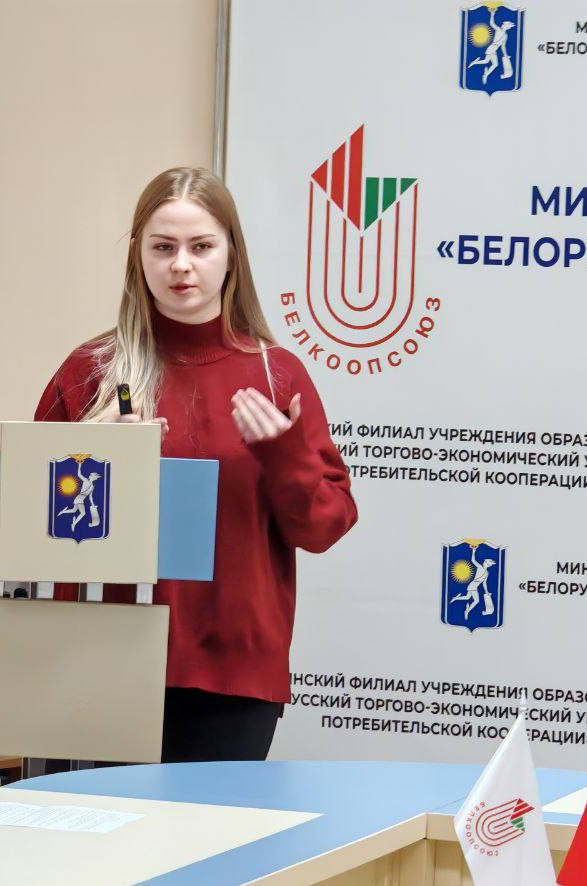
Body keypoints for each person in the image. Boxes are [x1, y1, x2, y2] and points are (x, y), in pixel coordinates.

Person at [35, 167, 357, 762]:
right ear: (138, 257)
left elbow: (324, 528)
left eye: (201, 247)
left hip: (233, 673)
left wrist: (284, 455)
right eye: (164, 248)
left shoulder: (277, 376)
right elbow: (26, 525)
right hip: (100, 659)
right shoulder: (92, 371)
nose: (181, 266)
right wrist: (86, 458)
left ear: (231, 257)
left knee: (206, 826)